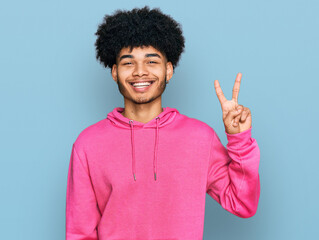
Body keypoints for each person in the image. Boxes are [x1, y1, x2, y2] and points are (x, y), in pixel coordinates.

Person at [65, 6, 260, 240]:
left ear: (168, 70)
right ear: (114, 72)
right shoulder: (88, 145)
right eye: (128, 63)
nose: (140, 72)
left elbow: (242, 203)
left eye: (151, 61)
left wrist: (239, 140)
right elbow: (79, 232)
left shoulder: (200, 138)